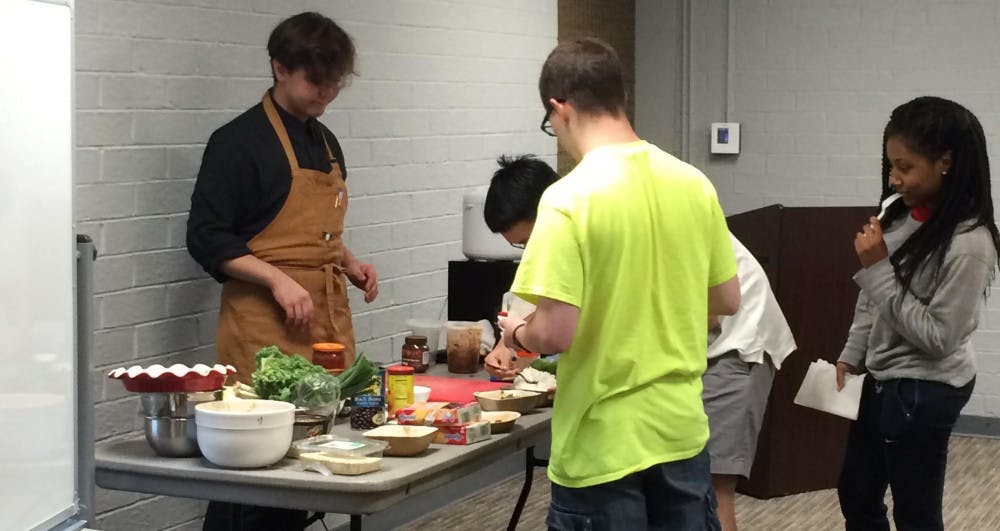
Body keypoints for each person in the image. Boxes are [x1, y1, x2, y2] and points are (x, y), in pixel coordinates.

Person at [496, 38, 740, 530]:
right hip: (679, 430)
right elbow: (726, 299)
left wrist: (517, 334)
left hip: (602, 442)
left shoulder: (569, 198)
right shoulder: (693, 183)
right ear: (617, 97)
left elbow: (555, 333)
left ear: (558, 108)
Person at [482, 155, 796, 531]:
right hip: (688, 358)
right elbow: (541, 305)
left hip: (735, 343)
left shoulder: (614, 215)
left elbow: (708, 313)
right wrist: (511, 341)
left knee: (712, 486)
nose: (530, 251)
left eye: (528, 241)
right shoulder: (578, 219)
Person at [186, 12, 378, 531]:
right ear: (279, 67)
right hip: (264, 328)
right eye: (317, 80)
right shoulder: (237, 142)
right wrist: (276, 278)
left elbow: (317, 234)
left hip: (324, 321)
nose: (328, 92)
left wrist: (349, 261)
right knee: (253, 467)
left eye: (336, 81)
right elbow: (206, 237)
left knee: (305, 465)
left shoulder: (327, 142)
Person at [835, 96, 1000, 531]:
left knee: (916, 513)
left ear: (945, 162)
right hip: (883, 378)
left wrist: (876, 269)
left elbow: (938, 337)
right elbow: (872, 301)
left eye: (905, 167)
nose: (894, 179)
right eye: (891, 165)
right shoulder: (900, 217)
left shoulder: (970, 242)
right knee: (855, 492)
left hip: (926, 389)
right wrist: (851, 355)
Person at [705, 234, 795, 531]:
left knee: (713, 488)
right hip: (713, 349)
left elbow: (708, 317)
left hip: (738, 350)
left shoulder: (676, 214)